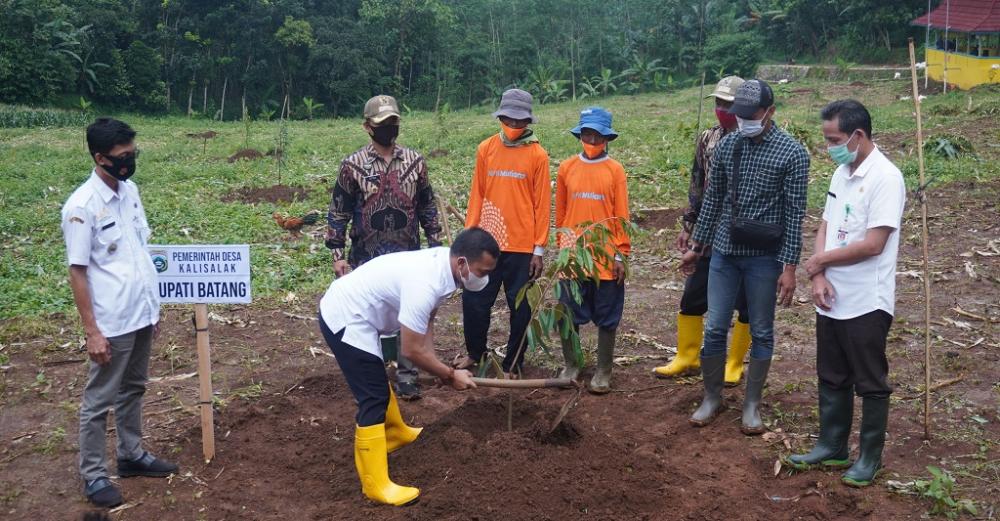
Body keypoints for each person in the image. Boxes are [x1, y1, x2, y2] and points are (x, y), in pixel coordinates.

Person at [318, 227, 497, 506]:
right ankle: (376, 485)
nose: (483, 278)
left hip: (360, 314)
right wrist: (449, 375)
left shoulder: (444, 265)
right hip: (344, 317)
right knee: (373, 396)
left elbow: (426, 324)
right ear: (462, 262)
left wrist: (435, 364)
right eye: (481, 272)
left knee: (375, 380)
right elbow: (411, 349)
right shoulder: (425, 283)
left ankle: (395, 432)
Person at [784, 100, 905, 487]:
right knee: (832, 374)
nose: (828, 147)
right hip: (831, 297)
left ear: (858, 135)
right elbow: (826, 223)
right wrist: (819, 275)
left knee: (870, 379)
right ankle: (832, 445)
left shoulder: (886, 178)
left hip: (867, 299)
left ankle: (869, 457)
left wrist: (820, 263)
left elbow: (873, 244)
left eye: (833, 139)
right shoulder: (841, 172)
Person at [679, 79, 810, 435]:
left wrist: (789, 269)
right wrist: (696, 247)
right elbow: (713, 203)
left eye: (751, 116)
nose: (743, 121)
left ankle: (751, 404)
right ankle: (711, 397)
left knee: (763, 331)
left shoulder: (792, 154)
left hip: (764, 259)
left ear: (770, 112)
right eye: (740, 115)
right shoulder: (727, 147)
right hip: (724, 252)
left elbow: (793, 216)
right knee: (715, 327)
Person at [62, 118, 178, 508]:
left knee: (134, 388)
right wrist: (92, 331)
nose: (129, 161)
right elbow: (78, 271)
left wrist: (153, 308)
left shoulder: (130, 192)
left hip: (140, 313)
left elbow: (138, 253)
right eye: (122, 156)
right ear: (100, 158)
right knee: (99, 401)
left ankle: (131, 454)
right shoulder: (82, 207)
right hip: (111, 321)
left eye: (133, 153)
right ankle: (94, 475)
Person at [325, 94, 444, 400]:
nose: (389, 128)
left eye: (393, 122)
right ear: (367, 127)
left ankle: (407, 374)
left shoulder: (416, 163)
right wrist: (337, 256)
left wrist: (436, 244)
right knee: (367, 317)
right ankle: (374, 374)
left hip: (409, 255)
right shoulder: (352, 166)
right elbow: (338, 212)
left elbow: (427, 207)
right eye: (382, 124)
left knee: (411, 313)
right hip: (367, 256)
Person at [653, 76, 752, 386]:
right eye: (718, 103)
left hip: (742, 234)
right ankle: (688, 356)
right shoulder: (707, 139)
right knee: (694, 293)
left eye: (729, 104)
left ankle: (734, 363)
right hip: (707, 232)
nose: (722, 109)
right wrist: (690, 224)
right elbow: (697, 183)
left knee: (744, 300)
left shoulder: (752, 141)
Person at [458, 88, 551, 375]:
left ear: (528, 122)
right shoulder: (486, 149)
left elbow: (542, 205)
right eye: (508, 119)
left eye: (519, 121)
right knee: (474, 301)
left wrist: (539, 248)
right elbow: (478, 194)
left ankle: (513, 363)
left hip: (522, 247)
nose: (513, 126)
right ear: (501, 116)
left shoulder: (538, 156)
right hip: (487, 242)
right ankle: (475, 352)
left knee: (520, 308)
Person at [555, 107, 630, 394]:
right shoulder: (567, 168)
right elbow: (561, 215)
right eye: (588, 134)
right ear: (580, 134)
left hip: (605, 258)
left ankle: (603, 370)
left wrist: (620, 253)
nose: (592, 139)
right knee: (568, 311)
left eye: (598, 135)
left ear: (607, 138)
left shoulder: (615, 170)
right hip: (573, 256)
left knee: (607, 315)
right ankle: (572, 364)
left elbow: (621, 216)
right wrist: (563, 250)